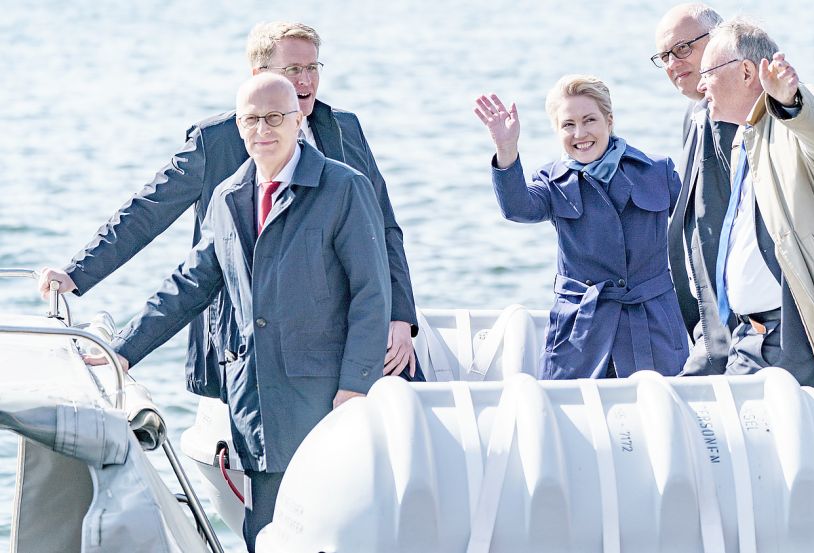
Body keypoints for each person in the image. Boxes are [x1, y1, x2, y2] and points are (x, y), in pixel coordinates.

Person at [37, 21, 419, 400]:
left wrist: (400, 316)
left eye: (312, 67)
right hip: (248, 337)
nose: (306, 81)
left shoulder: (344, 130)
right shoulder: (215, 141)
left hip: (336, 335)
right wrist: (77, 273)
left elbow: (384, 227)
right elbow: (148, 210)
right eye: (293, 70)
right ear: (259, 74)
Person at [95, 73, 391, 551]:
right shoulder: (228, 196)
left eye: (275, 117)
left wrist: (355, 387)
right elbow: (189, 285)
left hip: (325, 396)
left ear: (298, 121)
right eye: (251, 120)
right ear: (238, 125)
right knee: (265, 528)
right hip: (254, 395)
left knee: (327, 524)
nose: (263, 130)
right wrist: (122, 351)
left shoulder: (343, 189)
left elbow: (371, 295)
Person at [697, 19, 814, 420]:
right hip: (747, 340)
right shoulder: (747, 138)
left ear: (746, 72)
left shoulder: (794, 124)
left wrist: (791, 100)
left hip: (795, 342)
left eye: (708, 73)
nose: (700, 86)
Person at [473, 75, 689, 379]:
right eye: (568, 125)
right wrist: (506, 148)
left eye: (589, 120)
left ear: (609, 121)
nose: (580, 133)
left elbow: (697, 235)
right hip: (581, 329)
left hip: (652, 324)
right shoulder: (551, 181)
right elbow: (518, 208)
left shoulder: (656, 170)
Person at [654, 3, 737, 376]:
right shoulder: (694, 115)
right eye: (665, 56)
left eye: (683, 49)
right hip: (705, 321)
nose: (673, 63)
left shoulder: (746, 113)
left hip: (743, 325)